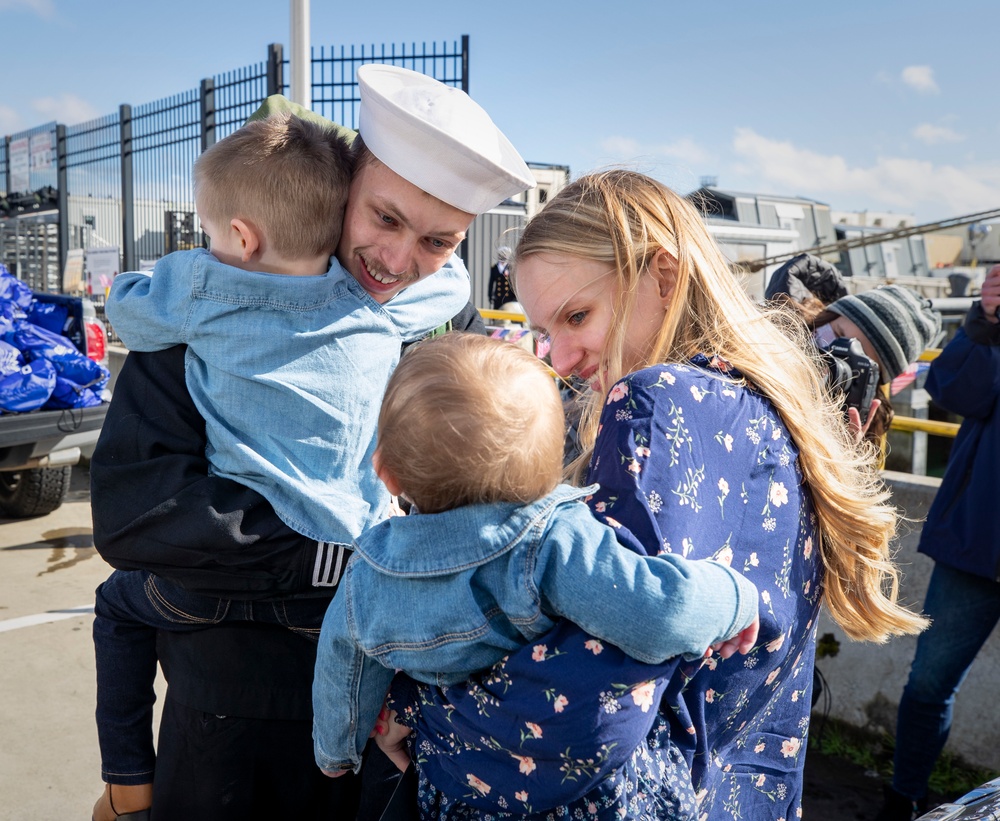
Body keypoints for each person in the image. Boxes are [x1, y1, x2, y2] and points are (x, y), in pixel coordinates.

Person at [386, 170, 928, 821]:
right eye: (544, 330)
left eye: (578, 316)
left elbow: (589, 694)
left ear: (663, 276)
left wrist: (421, 715)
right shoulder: (769, 401)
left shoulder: (656, 400)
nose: (558, 357)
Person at [89, 64, 535, 821]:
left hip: (393, 721)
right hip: (229, 715)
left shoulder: (445, 337)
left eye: (436, 241)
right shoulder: (216, 309)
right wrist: (343, 553)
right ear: (344, 186)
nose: (397, 263)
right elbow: (136, 512)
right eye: (384, 219)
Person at [312, 333, 760, 785]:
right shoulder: (551, 542)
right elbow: (660, 612)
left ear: (386, 473)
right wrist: (737, 597)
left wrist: (337, 751)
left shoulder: (366, 575)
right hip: (565, 784)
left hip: (454, 777)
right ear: (551, 462)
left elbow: (342, 670)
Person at [876, 263, 1000, 821]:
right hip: (977, 544)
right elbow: (949, 389)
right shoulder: (992, 328)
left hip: (975, 539)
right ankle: (904, 799)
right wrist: (986, 321)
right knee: (928, 685)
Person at [766, 254, 941, 448]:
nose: (834, 355)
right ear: (827, 316)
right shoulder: (763, 337)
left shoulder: (855, 421)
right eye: (838, 333)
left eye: (857, 359)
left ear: (872, 381)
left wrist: (841, 452)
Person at [488, 245, 515, 309]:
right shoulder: (495, 267)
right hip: (498, 297)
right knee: (498, 316)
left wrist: (515, 297)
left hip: (509, 297)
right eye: (502, 255)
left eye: (505, 255)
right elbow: (491, 283)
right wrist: (490, 295)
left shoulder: (511, 267)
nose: (503, 257)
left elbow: (514, 283)